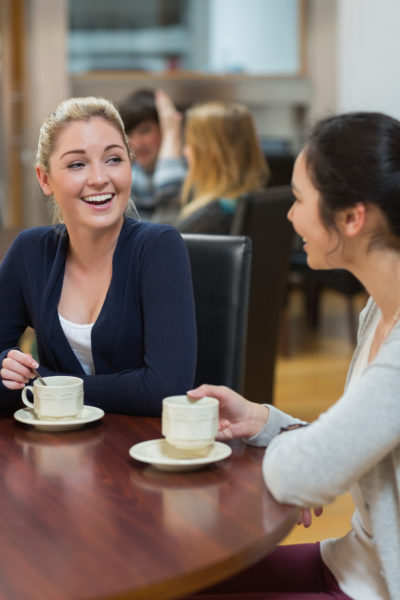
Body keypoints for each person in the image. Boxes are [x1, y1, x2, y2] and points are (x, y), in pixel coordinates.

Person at [185, 112, 400, 599]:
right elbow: (358, 438)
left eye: (300, 199)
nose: (290, 215)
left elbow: (308, 473)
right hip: (349, 563)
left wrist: (303, 467)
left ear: (351, 217)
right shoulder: (378, 311)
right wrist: (266, 421)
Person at [0, 96, 197, 415]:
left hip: (140, 451)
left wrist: (40, 384)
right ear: (45, 178)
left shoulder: (158, 247)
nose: (99, 178)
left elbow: (165, 389)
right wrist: (8, 369)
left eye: (114, 159)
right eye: (77, 164)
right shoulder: (30, 251)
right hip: (53, 450)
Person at [177, 101, 270, 234]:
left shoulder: (210, 217)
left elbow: (160, 247)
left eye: (190, 144)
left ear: (211, 152)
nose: (185, 151)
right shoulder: (252, 204)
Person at [118, 88, 186, 223]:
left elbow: (169, 189)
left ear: (164, 129)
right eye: (129, 134)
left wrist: (172, 134)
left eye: (145, 131)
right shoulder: (128, 178)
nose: (137, 143)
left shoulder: (188, 171)